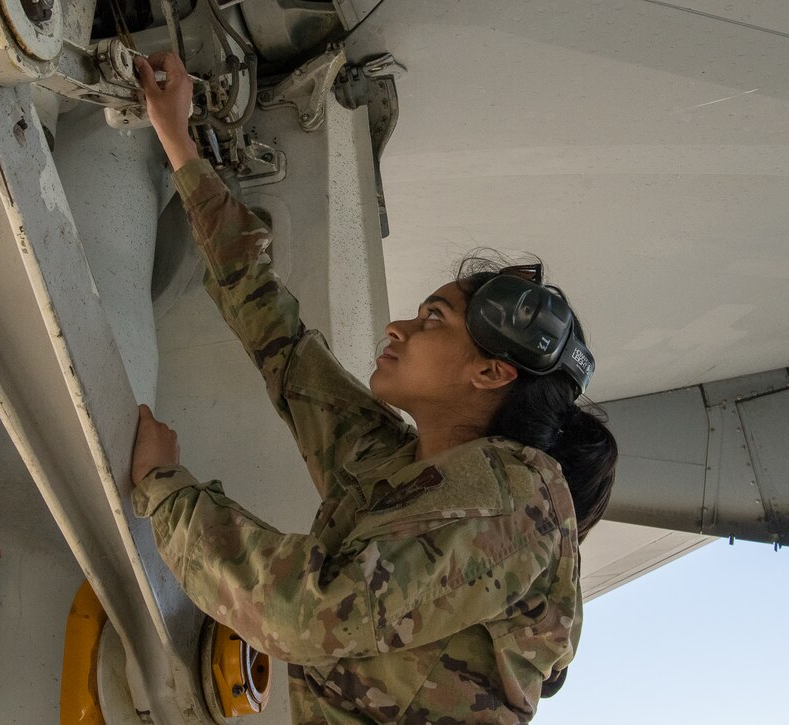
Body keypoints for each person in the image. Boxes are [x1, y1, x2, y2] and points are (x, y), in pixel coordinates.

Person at [129, 51, 617, 724]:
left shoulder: (515, 503)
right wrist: (179, 143)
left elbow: (311, 612)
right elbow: (283, 344)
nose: (398, 327)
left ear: (490, 372)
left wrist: (165, 492)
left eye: (432, 320)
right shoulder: (397, 465)